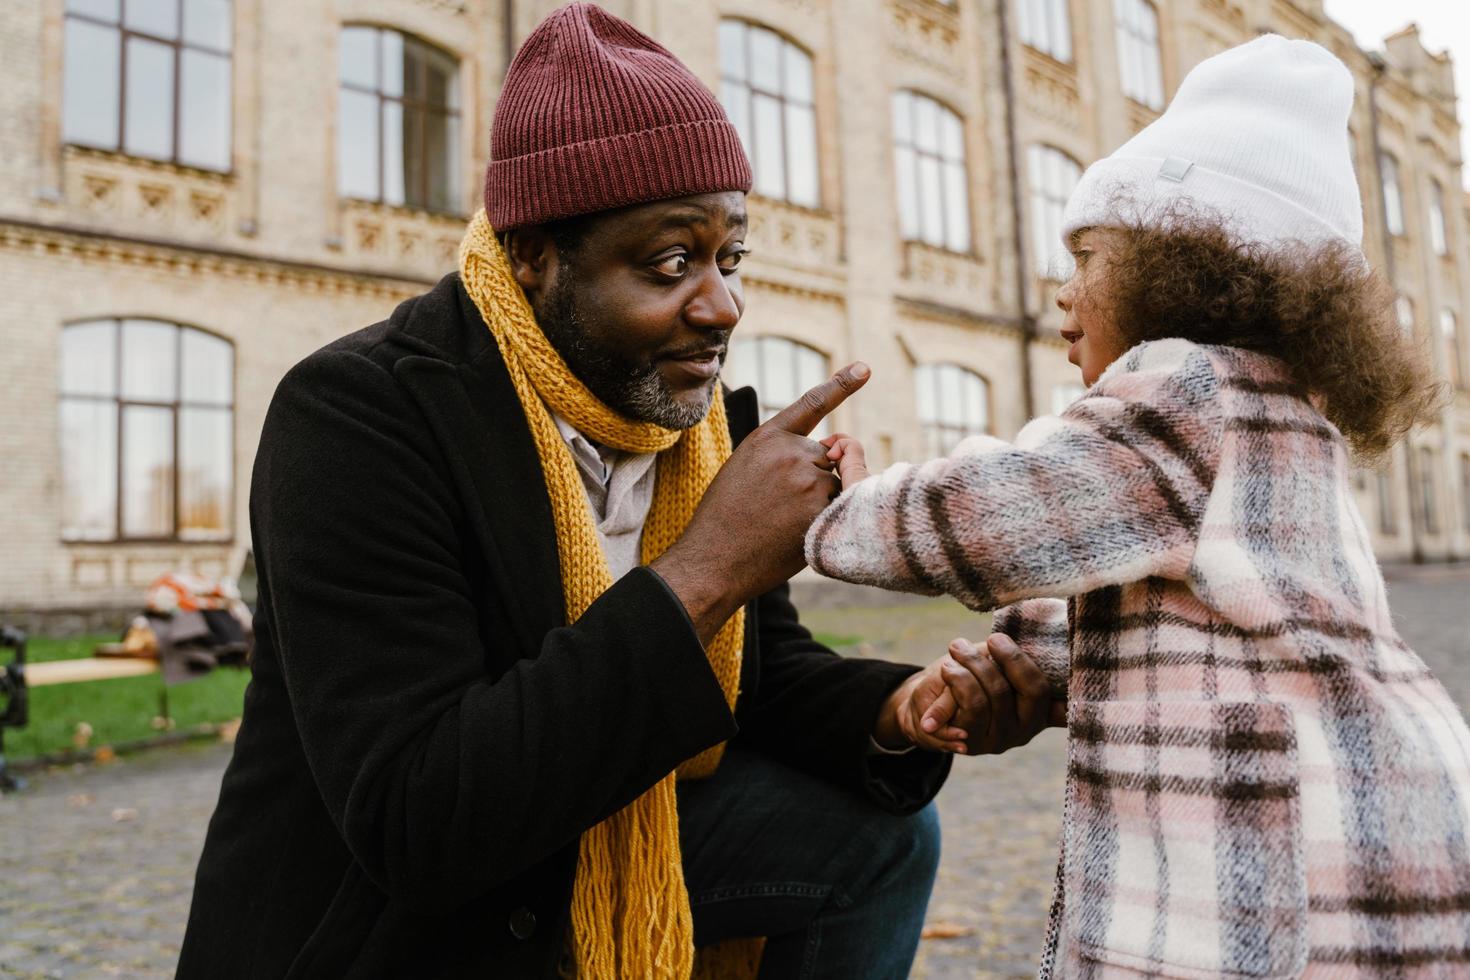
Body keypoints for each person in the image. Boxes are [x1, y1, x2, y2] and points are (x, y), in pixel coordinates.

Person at [178, 5, 1061, 979]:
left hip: (577, 851)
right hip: (398, 933)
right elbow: (418, 816)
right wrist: (708, 565)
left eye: (731, 258)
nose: (722, 304)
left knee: (877, 834)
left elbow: (759, 679)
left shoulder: (693, 422)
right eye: (671, 262)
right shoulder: (359, 416)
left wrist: (909, 706)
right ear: (534, 255)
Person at [806, 35, 1470, 977]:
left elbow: (1015, 516)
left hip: (1276, 877)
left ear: (1180, 268)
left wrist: (839, 505)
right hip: (1382, 818)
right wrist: (1027, 662)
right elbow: (1184, 599)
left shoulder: (1184, 390)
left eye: (1087, 254)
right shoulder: (1281, 421)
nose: (1063, 290)